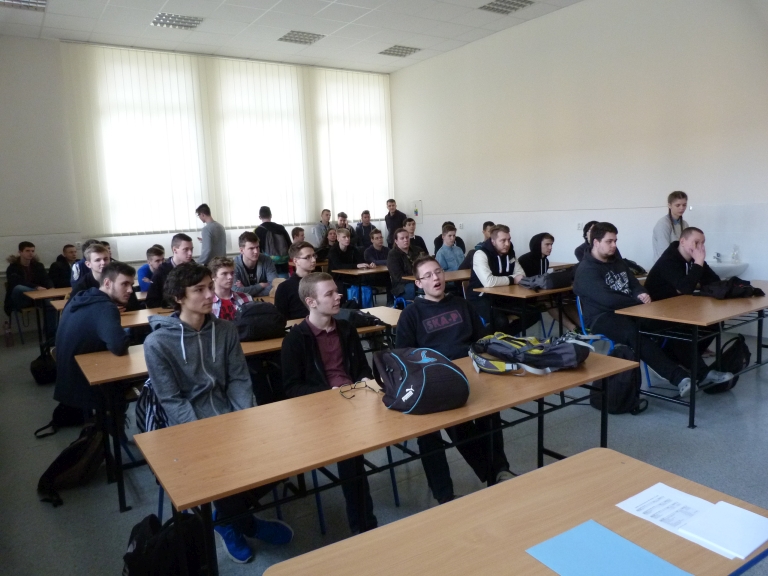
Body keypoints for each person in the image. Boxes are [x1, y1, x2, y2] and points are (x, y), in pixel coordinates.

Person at [145, 262, 293, 563]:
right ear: (178, 297)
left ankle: (226, 519)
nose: (210, 295)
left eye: (210, 287)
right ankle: (242, 523)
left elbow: (239, 378)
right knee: (221, 470)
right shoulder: (157, 343)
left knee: (287, 459)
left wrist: (243, 419)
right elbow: (172, 400)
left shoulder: (225, 330)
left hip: (231, 417)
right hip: (186, 427)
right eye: (199, 290)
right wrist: (207, 434)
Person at [396, 256, 514, 504]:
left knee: (490, 411)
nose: (435, 278)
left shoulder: (462, 304)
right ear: (418, 283)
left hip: (471, 371)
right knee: (433, 430)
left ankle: (499, 471)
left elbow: (481, 341)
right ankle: (445, 495)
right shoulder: (411, 314)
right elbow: (404, 358)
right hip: (434, 379)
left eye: (438, 272)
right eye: (428, 275)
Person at [281, 272, 378, 534]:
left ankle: (363, 522)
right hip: (322, 412)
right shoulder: (295, 339)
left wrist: (365, 381)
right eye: (330, 293)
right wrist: (329, 392)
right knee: (352, 457)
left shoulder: (346, 329)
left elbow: (362, 368)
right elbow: (292, 388)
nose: (339, 296)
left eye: (337, 291)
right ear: (311, 302)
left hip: (355, 402)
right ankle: (364, 526)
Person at [573, 222, 693, 397]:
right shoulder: (586, 270)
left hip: (630, 309)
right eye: (609, 241)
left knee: (671, 322)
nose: (614, 245)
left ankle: (700, 372)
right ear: (596, 242)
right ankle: (679, 377)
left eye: (615, 241)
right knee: (633, 333)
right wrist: (637, 302)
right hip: (602, 316)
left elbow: (634, 283)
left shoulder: (617, 261)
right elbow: (608, 299)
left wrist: (641, 293)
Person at [644, 227, 733, 389]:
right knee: (683, 329)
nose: (700, 247)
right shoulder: (669, 260)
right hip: (655, 312)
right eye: (696, 242)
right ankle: (701, 372)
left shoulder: (693, 259)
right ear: (683, 242)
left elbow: (713, 280)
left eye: (703, 243)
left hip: (678, 308)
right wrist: (698, 264)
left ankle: (682, 360)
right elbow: (685, 288)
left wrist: (698, 268)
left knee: (714, 323)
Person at [54, 262, 134, 412]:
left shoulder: (82, 297)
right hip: (86, 384)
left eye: (131, 284)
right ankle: (113, 423)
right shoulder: (106, 307)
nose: (130, 290)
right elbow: (119, 347)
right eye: (124, 284)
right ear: (107, 283)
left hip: (67, 381)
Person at [467, 225, 538, 334]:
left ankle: (505, 337)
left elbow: (521, 275)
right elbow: (489, 282)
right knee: (500, 321)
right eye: (503, 240)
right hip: (479, 298)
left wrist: (513, 279)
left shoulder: (510, 253)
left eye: (509, 240)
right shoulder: (480, 254)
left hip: (502, 296)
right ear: (493, 241)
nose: (507, 244)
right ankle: (483, 339)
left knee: (534, 314)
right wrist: (512, 280)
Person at [519, 233, 578, 332]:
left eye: (551, 245)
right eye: (547, 244)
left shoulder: (545, 260)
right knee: (548, 300)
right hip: (527, 296)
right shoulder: (524, 260)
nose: (550, 248)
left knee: (565, 296)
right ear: (538, 245)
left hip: (541, 292)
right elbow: (523, 283)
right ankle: (573, 328)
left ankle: (582, 327)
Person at [71, 243, 140, 311]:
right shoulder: (81, 286)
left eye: (106, 259)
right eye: (98, 260)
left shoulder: (120, 280)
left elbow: (134, 307)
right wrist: (107, 309)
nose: (103, 263)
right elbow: (73, 309)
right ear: (88, 264)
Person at [4, 241, 53, 320]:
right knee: (19, 287)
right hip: (20, 299)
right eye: (27, 251)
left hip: (36, 298)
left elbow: (46, 278)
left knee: (50, 302)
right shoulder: (13, 267)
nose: (31, 253)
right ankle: (41, 294)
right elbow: (16, 282)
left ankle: (51, 328)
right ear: (20, 252)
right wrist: (36, 287)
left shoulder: (38, 266)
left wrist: (51, 287)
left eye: (32, 251)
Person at [145, 234, 195, 308]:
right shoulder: (161, 272)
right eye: (186, 249)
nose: (190, 253)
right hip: (171, 311)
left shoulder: (195, 269)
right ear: (175, 250)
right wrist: (172, 304)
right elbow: (151, 302)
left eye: (191, 249)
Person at [275, 242, 316, 320]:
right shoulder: (285, 287)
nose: (313, 260)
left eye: (314, 255)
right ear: (296, 261)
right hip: (297, 325)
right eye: (307, 257)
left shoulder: (320, 282)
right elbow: (281, 316)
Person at [328, 228, 375, 294]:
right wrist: (356, 266)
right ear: (338, 238)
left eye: (348, 237)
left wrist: (369, 264)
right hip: (337, 277)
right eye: (344, 237)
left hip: (351, 275)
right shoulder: (333, 250)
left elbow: (361, 260)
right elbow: (339, 266)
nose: (347, 239)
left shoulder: (352, 248)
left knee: (365, 281)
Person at [233, 231, 277, 298]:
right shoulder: (234, 265)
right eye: (251, 248)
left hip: (263, 300)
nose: (256, 251)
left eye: (257, 247)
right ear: (241, 250)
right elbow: (236, 291)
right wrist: (261, 285)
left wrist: (246, 290)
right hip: (244, 302)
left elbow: (275, 285)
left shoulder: (266, 260)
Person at [210, 256, 253, 320]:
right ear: (213, 276)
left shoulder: (246, 298)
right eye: (224, 273)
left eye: (232, 273)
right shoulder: (207, 302)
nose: (230, 277)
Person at [387, 228, 424, 301]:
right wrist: (416, 279)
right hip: (402, 286)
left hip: (420, 279)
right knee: (421, 288)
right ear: (396, 241)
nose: (405, 240)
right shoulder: (392, 254)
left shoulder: (417, 250)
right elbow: (398, 277)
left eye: (407, 237)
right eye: (402, 238)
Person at [254, 206, 292, 276]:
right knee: (283, 281)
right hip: (283, 263)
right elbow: (289, 244)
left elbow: (257, 248)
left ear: (259, 217)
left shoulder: (258, 230)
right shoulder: (281, 228)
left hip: (267, 263)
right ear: (271, 215)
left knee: (271, 281)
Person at [653, 191, 689, 261]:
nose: (682, 208)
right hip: (664, 263)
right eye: (678, 205)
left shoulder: (685, 224)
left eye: (684, 205)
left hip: (679, 263)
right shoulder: (663, 224)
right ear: (669, 205)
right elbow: (664, 251)